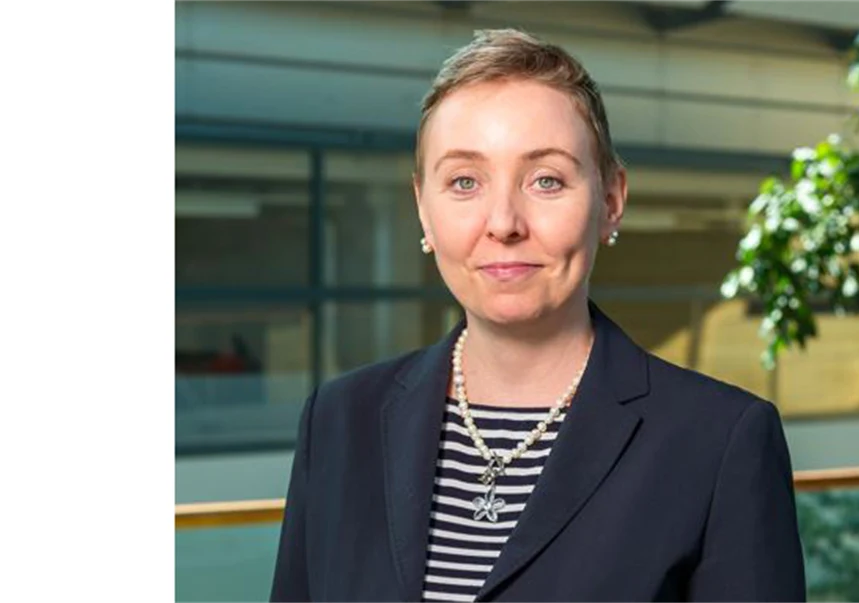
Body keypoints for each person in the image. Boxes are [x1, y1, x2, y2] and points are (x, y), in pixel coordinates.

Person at [270, 28, 805, 603]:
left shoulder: (720, 442)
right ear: (423, 208)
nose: (503, 222)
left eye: (546, 180)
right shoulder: (337, 423)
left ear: (611, 200)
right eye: (464, 182)